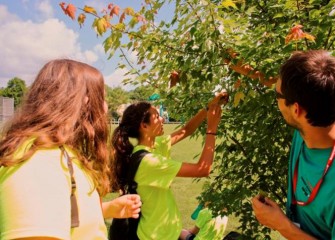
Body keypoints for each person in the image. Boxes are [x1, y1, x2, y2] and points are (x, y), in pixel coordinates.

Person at [0, 59, 141, 240]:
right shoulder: (39, 161)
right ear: (83, 102)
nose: (105, 108)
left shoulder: (61, 154)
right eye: (102, 98)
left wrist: (106, 210)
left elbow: (59, 216)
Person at [110, 91, 229, 240]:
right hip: (156, 236)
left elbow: (186, 130)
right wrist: (212, 129)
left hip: (165, 232)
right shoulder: (149, 162)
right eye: (157, 116)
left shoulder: (154, 145)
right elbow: (203, 169)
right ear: (144, 126)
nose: (162, 119)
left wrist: (208, 107)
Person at [252, 50, 335, 240]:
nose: (276, 101)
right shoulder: (314, 119)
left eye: (277, 96)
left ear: (296, 109)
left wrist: (281, 224)